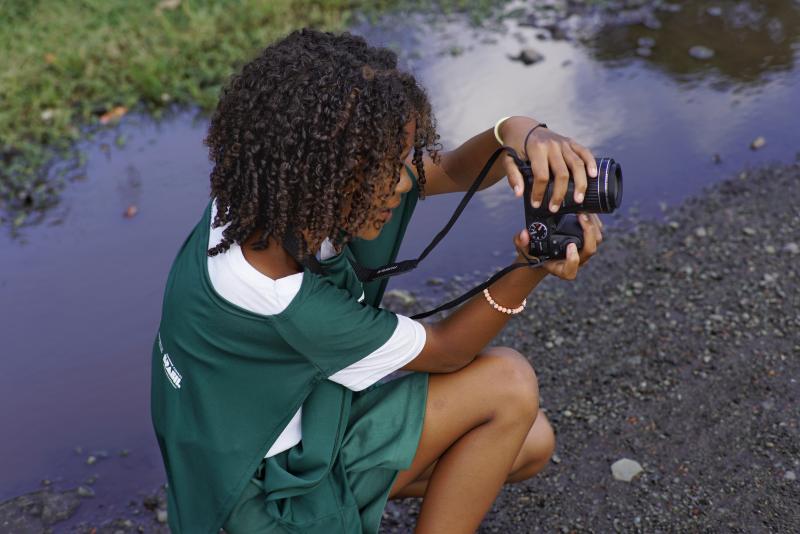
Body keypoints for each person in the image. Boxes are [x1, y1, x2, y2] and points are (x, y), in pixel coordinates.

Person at [151, 28, 603, 534]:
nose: (406, 182)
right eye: (387, 168)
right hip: (261, 502)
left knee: (529, 442)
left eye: (403, 158)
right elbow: (450, 350)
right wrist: (532, 269)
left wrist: (517, 134)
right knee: (508, 383)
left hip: (250, 450)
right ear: (322, 169)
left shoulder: (267, 201)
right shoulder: (277, 293)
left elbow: (451, 169)